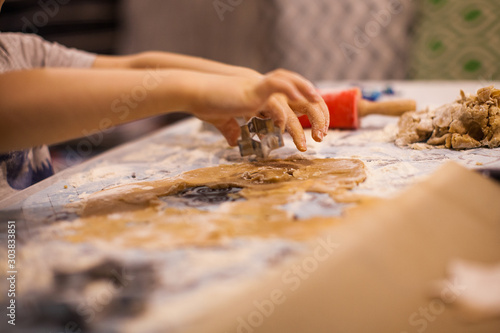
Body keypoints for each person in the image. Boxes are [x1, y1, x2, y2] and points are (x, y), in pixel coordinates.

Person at [0, 0, 329, 199]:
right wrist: (193, 92)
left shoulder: (19, 50)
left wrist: (239, 77)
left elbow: (134, 67)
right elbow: (10, 107)